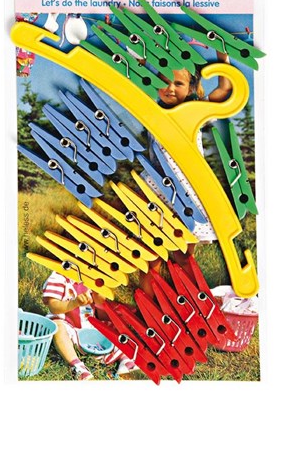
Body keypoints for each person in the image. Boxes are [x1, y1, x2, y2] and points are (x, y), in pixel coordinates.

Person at [140, 51, 233, 294]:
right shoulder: (149, 108)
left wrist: (222, 56)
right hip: (157, 190)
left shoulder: (196, 110)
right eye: (163, 81)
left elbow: (224, 90)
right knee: (151, 256)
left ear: (191, 87)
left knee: (184, 257)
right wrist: (139, 58)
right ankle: (149, 305)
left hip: (189, 193)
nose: (170, 88)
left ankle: (190, 304)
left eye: (178, 83)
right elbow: (132, 82)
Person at [42, 271, 137, 380]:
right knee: (57, 326)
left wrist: (99, 297)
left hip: (90, 325)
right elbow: (53, 306)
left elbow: (101, 313)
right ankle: (77, 366)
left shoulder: (91, 275)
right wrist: (74, 303)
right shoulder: (58, 277)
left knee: (118, 326)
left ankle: (125, 360)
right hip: (69, 326)